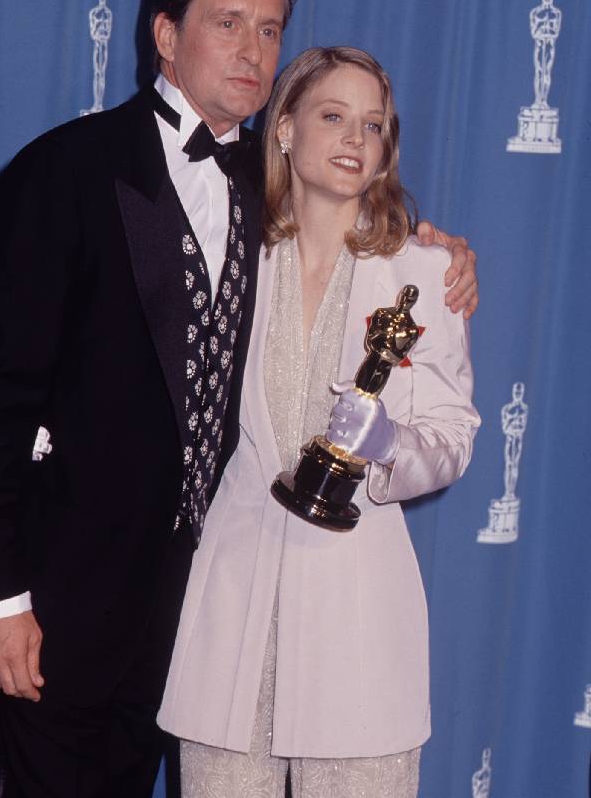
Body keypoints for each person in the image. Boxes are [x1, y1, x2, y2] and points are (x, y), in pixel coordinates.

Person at [0, 0, 477, 798]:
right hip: (59, 615)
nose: (253, 49)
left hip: (189, 627)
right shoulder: (64, 173)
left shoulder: (265, 198)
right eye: (229, 22)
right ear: (167, 33)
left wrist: (434, 247)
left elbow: (351, 231)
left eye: (271, 29)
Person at [158, 46, 481, 798]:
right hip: (230, 624)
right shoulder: (230, 252)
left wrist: (390, 445)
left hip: (358, 630)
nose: (354, 139)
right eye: (333, 116)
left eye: (373, 124)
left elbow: (454, 434)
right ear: (284, 128)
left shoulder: (424, 272)